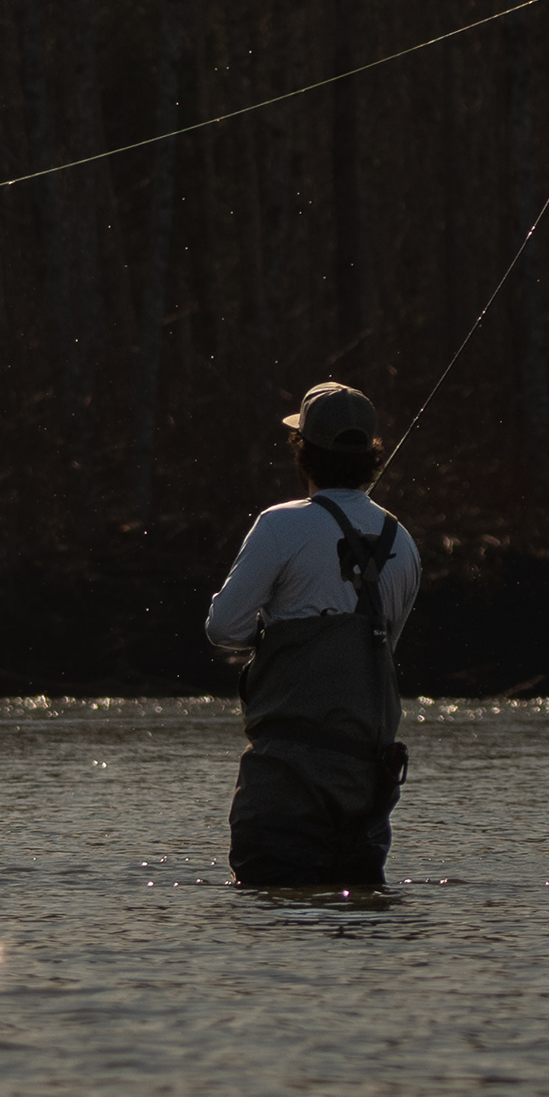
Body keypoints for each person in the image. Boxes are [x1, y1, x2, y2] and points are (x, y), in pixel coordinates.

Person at [204, 380, 421, 888]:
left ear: (303, 452)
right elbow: (385, 650)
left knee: (275, 927)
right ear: (371, 455)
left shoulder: (280, 525)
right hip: (367, 792)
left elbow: (224, 628)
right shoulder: (404, 542)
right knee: (357, 933)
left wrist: (278, 630)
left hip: (286, 787)